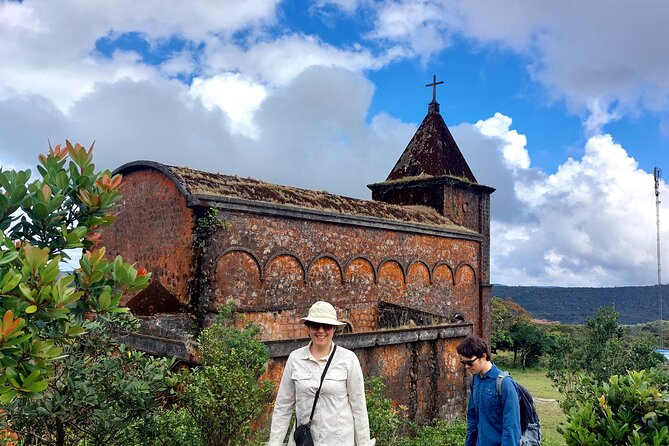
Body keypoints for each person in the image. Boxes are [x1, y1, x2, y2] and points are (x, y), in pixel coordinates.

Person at [268, 301, 376, 446]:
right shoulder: (295, 359)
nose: (321, 331)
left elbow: (359, 408)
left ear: (334, 329)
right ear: (308, 327)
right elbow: (283, 407)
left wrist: (363, 443)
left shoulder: (348, 360)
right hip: (304, 441)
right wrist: (275, 443)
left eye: (326, 326)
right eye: (315, 325)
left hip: (338, 441)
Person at [457, 335, 520, 446]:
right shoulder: (475, 380)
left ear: (484, 356)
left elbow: (511, 428)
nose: (466, 367)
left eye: (470, 363)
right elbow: (472, 420)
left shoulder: (505, 384)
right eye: (463, 363)